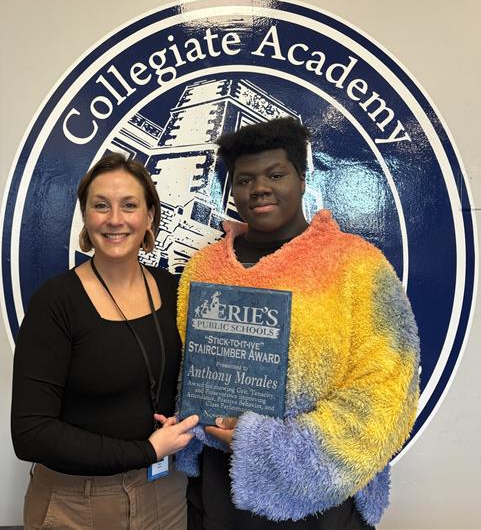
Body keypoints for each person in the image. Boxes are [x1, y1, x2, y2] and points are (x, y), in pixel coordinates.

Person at [175, 117, 420, 530]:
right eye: (244, 179)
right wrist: (189, 421)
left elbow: (388, 387)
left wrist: (275, 449)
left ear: (303, 180)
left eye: (275, 174)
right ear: (232, 190)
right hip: (218, 491)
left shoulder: (357, 266)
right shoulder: (205, 268)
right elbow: (193, 369)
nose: (259, 188)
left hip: (320, 495)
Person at [11, 153, 198, 530]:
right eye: (101, 206)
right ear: (86, 217)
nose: (115, 219)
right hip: (75, 505)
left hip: (163, 496)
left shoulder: (173, 290)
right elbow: (31, 434)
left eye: (129, 205)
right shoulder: (56, 302)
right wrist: (146, 450)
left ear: (149, 218)